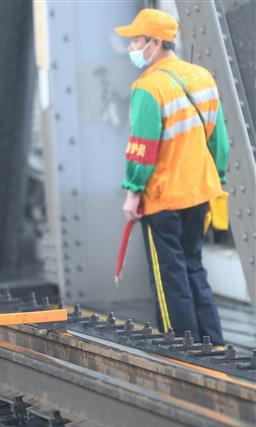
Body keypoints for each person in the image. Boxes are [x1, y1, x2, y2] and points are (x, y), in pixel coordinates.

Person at [116, 8, 229, 345]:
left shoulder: (148, 88)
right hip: (198, 193)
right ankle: (213, 343)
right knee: (193, 266)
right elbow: (219, 142)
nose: (131, 47)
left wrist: (133, 191)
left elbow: (142, 147)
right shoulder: (202, 78)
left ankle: (180, 348)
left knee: (169, 276)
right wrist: (216, 177)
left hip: (162, 198)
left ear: (155, 42)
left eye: (136, 40)